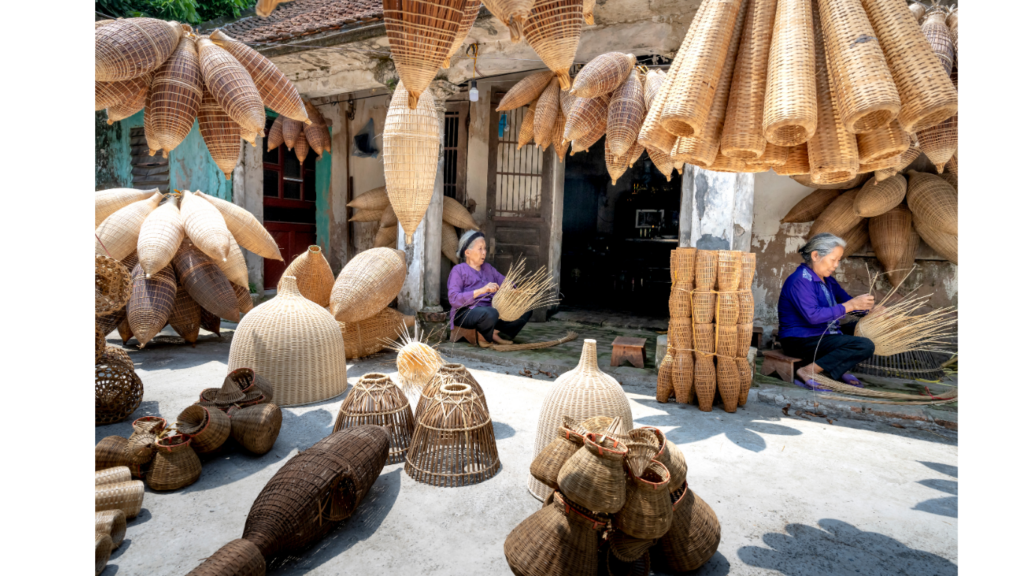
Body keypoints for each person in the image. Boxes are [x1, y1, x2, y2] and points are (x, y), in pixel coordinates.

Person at [777, 233, 883, 390]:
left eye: (838, 260)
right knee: (864, 345)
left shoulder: (828, 280)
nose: (836, 265)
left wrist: (871, 311)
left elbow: (847, 301)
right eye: (833, 259)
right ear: (815, 255)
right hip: (799, 340)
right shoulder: (800, 280)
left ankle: (837, 370)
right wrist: (852, 305)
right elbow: (813, 317)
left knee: (866, 329)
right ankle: (807, 371)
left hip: (824, 333)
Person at [447, 231, 532, 347]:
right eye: (480, 249)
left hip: (492, 313)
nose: (484, 252)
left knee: (525, 308)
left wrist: (514, 290)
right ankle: (485, 336)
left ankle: (494, 333)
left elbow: (505, 281)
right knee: (490, 313)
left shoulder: (488, 268)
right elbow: (454, 299)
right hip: (466, 312)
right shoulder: (458, 270)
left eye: (485, 249)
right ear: (468, 252)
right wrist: (481, 290)